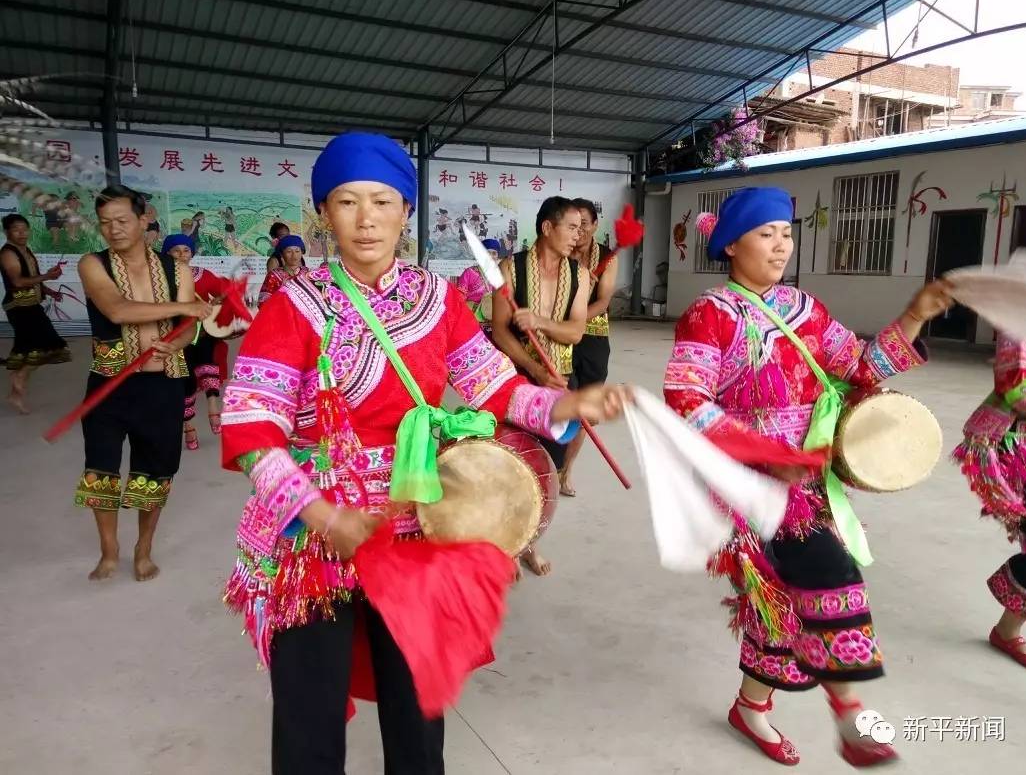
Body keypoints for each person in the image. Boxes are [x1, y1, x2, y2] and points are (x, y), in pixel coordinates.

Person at [220, 132, 627, 774]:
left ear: (406, 211)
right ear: (324, 213)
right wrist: (328, 518)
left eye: (382, 201)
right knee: (308, 719)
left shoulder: (436, 301)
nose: (365, 218)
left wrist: (562, 406)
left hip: (413, 521)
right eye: (347, 202)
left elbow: (492, 385)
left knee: (417, 714)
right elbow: (249, 429)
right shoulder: (293, 306)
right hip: (311, 536)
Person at [663, 187, 952, 767]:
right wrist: (761, 452)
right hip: (747, 479)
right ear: (732, 244)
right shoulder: (711, 314)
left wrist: (914, 316)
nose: (780, 246)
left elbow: (860, 369)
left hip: (806, 478)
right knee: (826, 572)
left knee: (781, 604)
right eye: (765, 234)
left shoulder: (805, 309)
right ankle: (850, 715)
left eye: (786, 233)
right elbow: (684, 398)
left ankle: (751, 707)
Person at [74, 185, 212, 582]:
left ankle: (143, 547)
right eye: (104, 223)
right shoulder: (92, 264)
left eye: (121, 221)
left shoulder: (176, 270)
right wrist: (184, 306)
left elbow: (188, 329)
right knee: (100, 470)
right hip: (109, 384)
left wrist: (178, 339)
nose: (113, 230)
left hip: (162, 386)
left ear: (143, 219)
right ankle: (109, 549)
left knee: (154, 472)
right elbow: (117, 310)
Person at [491, 196, 590, 576]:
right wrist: (533, 366)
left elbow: (576, 332)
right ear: (548, 228)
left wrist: (542, 322)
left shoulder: (580, 276)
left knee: (549, 465)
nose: (578, 236)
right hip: (517, 380)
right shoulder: (510, 269)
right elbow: (500, 331)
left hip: (562, 378)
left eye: (581, 228)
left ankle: (531, 542)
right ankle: (508, 544)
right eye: (571, 227)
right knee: (512, 464)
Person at [955, 248, 1026, 673]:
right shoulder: (1024, 306)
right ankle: (1007, 632)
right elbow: (1020, 389)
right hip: (1022, 446)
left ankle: (1008, 630)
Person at [559, 198, 619, 497]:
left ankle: (566, 471)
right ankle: (550, 466)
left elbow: (604, 301)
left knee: (584, 410)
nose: (579, 230)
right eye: (574, 223)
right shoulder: (560, 253)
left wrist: (576, 320)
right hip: (558, 337)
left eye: (585, 223)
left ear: (595, 225)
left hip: (592, 341)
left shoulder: (607, 257)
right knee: (557, 403)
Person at [161, 233, 231, 449]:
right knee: (186, 381)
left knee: (209, 366)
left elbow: (225, 291)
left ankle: (213, 407)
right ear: (166, 253)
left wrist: (220, 300)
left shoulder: (202, 275)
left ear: (192, 253)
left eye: (186, 250)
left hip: (201, 333)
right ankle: (188, 427)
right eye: (176, 250)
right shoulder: (159, 279)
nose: (182, 255)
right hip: (174, 336)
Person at [1, 213, 71, 413]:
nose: (22, 233)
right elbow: (18, 282)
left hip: (31, 305)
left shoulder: (26, 251)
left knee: (31, 349)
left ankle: (16, 391)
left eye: (25, 228)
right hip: (19, 307)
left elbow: (32, 279)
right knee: (49, 345)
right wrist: (48, 275)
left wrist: (50, 291)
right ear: (7, 232)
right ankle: (18, 380)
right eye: (16, 229)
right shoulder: (8, 253)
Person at [456, 237, 502, 335]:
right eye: (487, 252)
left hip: (495, 324)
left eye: (494, 253)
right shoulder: (469, 273)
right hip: (472, 323)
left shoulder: (501, 275)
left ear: (497, 256)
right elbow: (459, 299)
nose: (491, 256)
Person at [257, 234, 307, 305]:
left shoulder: (308, 274)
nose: (294, 255)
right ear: (282, 254)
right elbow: (262, 302)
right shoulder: (273, 276)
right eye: (289, 251)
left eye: (297, 251)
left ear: (302, 253)